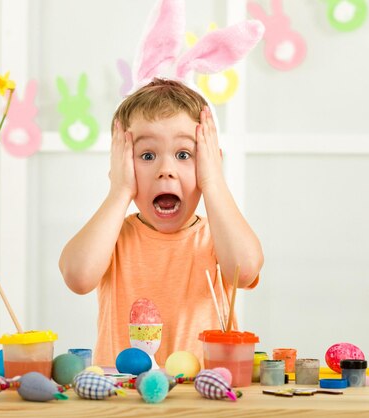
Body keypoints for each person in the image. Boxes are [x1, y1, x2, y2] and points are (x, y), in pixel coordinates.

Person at [59, 78, 264, 367]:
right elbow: (77, 277)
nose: (165, 170)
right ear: (121, 166)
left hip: (199, 397)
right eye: (147, 155)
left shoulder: (215, 236)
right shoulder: (114, 236)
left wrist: (213, 182)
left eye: (183, 155)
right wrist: (119, 191)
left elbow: (244, 270)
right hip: (124, 399)